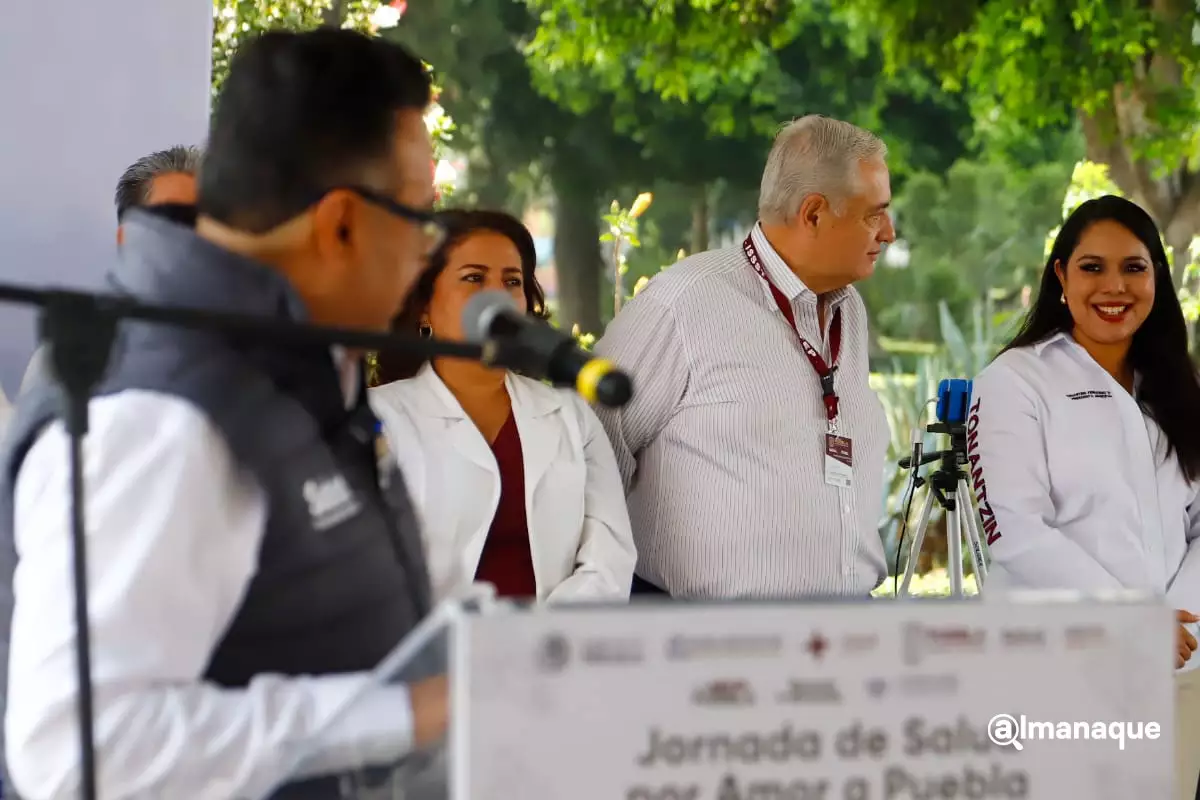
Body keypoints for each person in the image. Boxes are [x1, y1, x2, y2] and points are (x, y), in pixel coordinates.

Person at [0, 29, 447, 800]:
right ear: (341, 224)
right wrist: (400, 715)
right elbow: (76, 750)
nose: (426, 252)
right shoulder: (157, 416)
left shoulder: (298, 364)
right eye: (420, 217)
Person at [592, 114, 896, 599]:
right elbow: (590, 454)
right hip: (703, 634)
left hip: (844, 630)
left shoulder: (848, 310)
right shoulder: (682, 304)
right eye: (874, 215)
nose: (889, 233)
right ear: (814, 214)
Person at [966, 195, 1200, 799]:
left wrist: (1174, 624)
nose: (1114, 286)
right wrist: (1131, 618)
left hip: (1174, 671)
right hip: (1057, 667)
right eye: (1093, 267)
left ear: (1157, 277)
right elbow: (1014, 529)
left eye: (1134, 267)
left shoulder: (1178, 387)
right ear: (1061, 276)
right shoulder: (1014, 382)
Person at [371, 209, 636, 604]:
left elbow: (609, 559)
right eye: (473, 278)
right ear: (424, 304)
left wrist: (536, 634)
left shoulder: (569, 415)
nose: (497, 298)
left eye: (512, 282)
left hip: (555, 639)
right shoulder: (379, 416)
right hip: (429, 640)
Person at [18, 145, 202, 397]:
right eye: (173, 220)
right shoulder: (76, 356)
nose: (192, 239)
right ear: (126, 238)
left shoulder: (240, 342)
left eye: (204, 223)